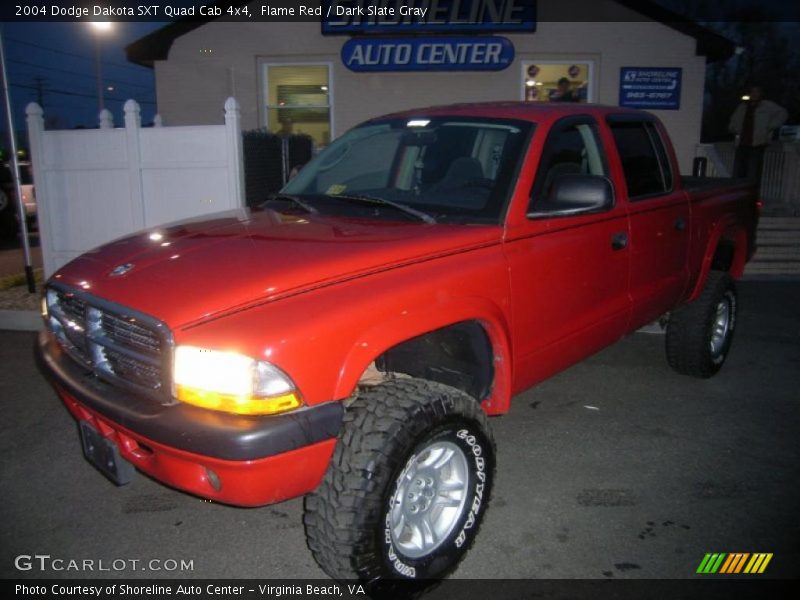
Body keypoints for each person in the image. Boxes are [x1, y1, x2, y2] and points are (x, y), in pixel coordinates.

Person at [728, 86, 787, 187]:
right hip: (741, 144)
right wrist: (734, 128)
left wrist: (770, 126)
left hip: (757, 144)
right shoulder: (743, 107)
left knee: (753, 173)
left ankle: (752, 198)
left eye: (757, 92)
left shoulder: (767, 106)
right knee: (738, 173)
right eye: (752, 92)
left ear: (760, 94)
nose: (754, 94)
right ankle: (738, 197)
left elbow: (783, 114)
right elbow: (732, 121)